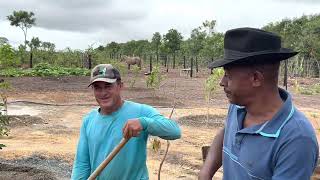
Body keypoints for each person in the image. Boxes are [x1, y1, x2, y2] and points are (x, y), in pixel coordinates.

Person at [199, 27, 319, 180]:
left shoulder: (296, 140)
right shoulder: (237, 107)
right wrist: (206, 172)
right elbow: (225, 132)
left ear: (256, 78)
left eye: (228, 75)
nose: (222, 82)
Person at [71, 64, 181, 180]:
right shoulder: (88, 120)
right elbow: (82, 164)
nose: (103, 93)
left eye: (108, 86)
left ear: (120, 86)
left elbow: (175, 131)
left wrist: (144, 123)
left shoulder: (140, 111)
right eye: (97, 88)